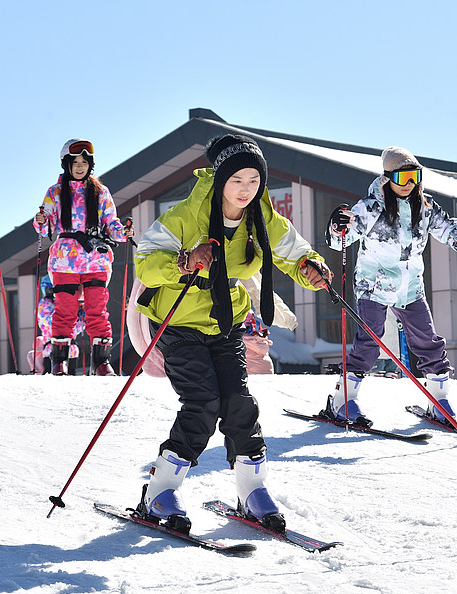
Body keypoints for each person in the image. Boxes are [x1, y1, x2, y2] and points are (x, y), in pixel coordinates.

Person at [133, 133, 331, 534]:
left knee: (239, 403)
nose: (245, 189)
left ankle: (251, 490)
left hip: (225, 323)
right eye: (237, 180)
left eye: (253, 181)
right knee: (203, 403)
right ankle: (160, 491)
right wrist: (185, 261)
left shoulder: (262, 217)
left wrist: (313, 267)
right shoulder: (186, 216)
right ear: (222, 179)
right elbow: (145, 263)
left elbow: (296, 253)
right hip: (179, 321)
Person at [322, 146, 457, 424]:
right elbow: (339, 241)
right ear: (387, 179)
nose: (409, 184)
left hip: (410, 287)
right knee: (369, 342)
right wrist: (337, 227)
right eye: (402, 178)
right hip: (374, 284)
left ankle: (440, 401)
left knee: (428, 341)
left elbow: (448, 228)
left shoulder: (426, 206)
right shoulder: (371, 207)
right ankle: (342, 401)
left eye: (415, 176)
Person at [33, 139, 133, 376]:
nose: (80, 166)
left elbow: (111, 223)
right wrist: (40, 221)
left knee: (97, 308)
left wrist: (123, 232)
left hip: (95, 259)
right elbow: (45, 224)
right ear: (66, 164)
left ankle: (100, 361)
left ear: (91, 164)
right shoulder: (55, 192)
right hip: (65, 259)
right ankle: (59, 361)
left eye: (84, 162)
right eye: (75, 162)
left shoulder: (100, 192)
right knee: (65, 309)